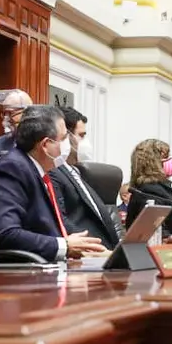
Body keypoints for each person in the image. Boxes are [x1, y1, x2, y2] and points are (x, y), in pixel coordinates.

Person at [0, 105, 107, 261]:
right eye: (64, 138)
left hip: (43, 266)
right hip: (8, 273)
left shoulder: (40, 171)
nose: (69, 144)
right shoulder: (12, 168)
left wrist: (81, 247)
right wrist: (64, 245)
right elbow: (5, 233)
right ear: (46, 145)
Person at [46, 107, 120, 250]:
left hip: (106, 252)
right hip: (86, 253)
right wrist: (92, 246)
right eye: (81, 135)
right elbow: (60, 219)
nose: (85, 142)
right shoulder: (54, 172)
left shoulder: (76, 172)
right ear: (65, 138)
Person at [124, 138, 172, 238]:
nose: (171, 160)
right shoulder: (149, 192)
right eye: (166, 157)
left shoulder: (161, 188)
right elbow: (158, 234)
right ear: (153, 163)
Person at [0, 89, 32, 156]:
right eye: (4, 113)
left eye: (10, 113)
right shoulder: (0, 142)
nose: (6, 118)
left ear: (26, 113)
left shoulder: (40, 142)